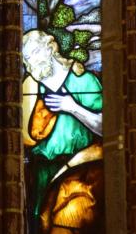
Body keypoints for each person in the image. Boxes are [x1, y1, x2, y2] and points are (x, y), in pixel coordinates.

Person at [22, 29, 104, 234]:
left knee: (67, 223)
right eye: (26, 59)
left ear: (51, 47)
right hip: (40, 173)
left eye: (34, 53)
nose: (31, 62)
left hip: (80, 171)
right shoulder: (32, 88)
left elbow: (105, 126)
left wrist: (72, 107)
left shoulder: (82, 81)